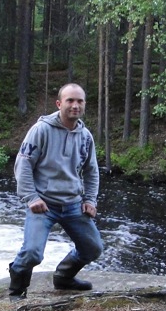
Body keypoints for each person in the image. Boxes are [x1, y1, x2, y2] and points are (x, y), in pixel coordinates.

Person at [7, 83, 103, 298]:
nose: (75, 105)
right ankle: (17, 289)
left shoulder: (85, 136)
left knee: (93, 248)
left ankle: (64, 278)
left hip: (72, 204)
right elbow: (23, 165)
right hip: (43, 205)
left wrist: (90, 200)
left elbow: (91, 171)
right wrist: (31, 197)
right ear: (59, 104)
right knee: (32, 253)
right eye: (70, 100)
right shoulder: (41, 130)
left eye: (80, 101)